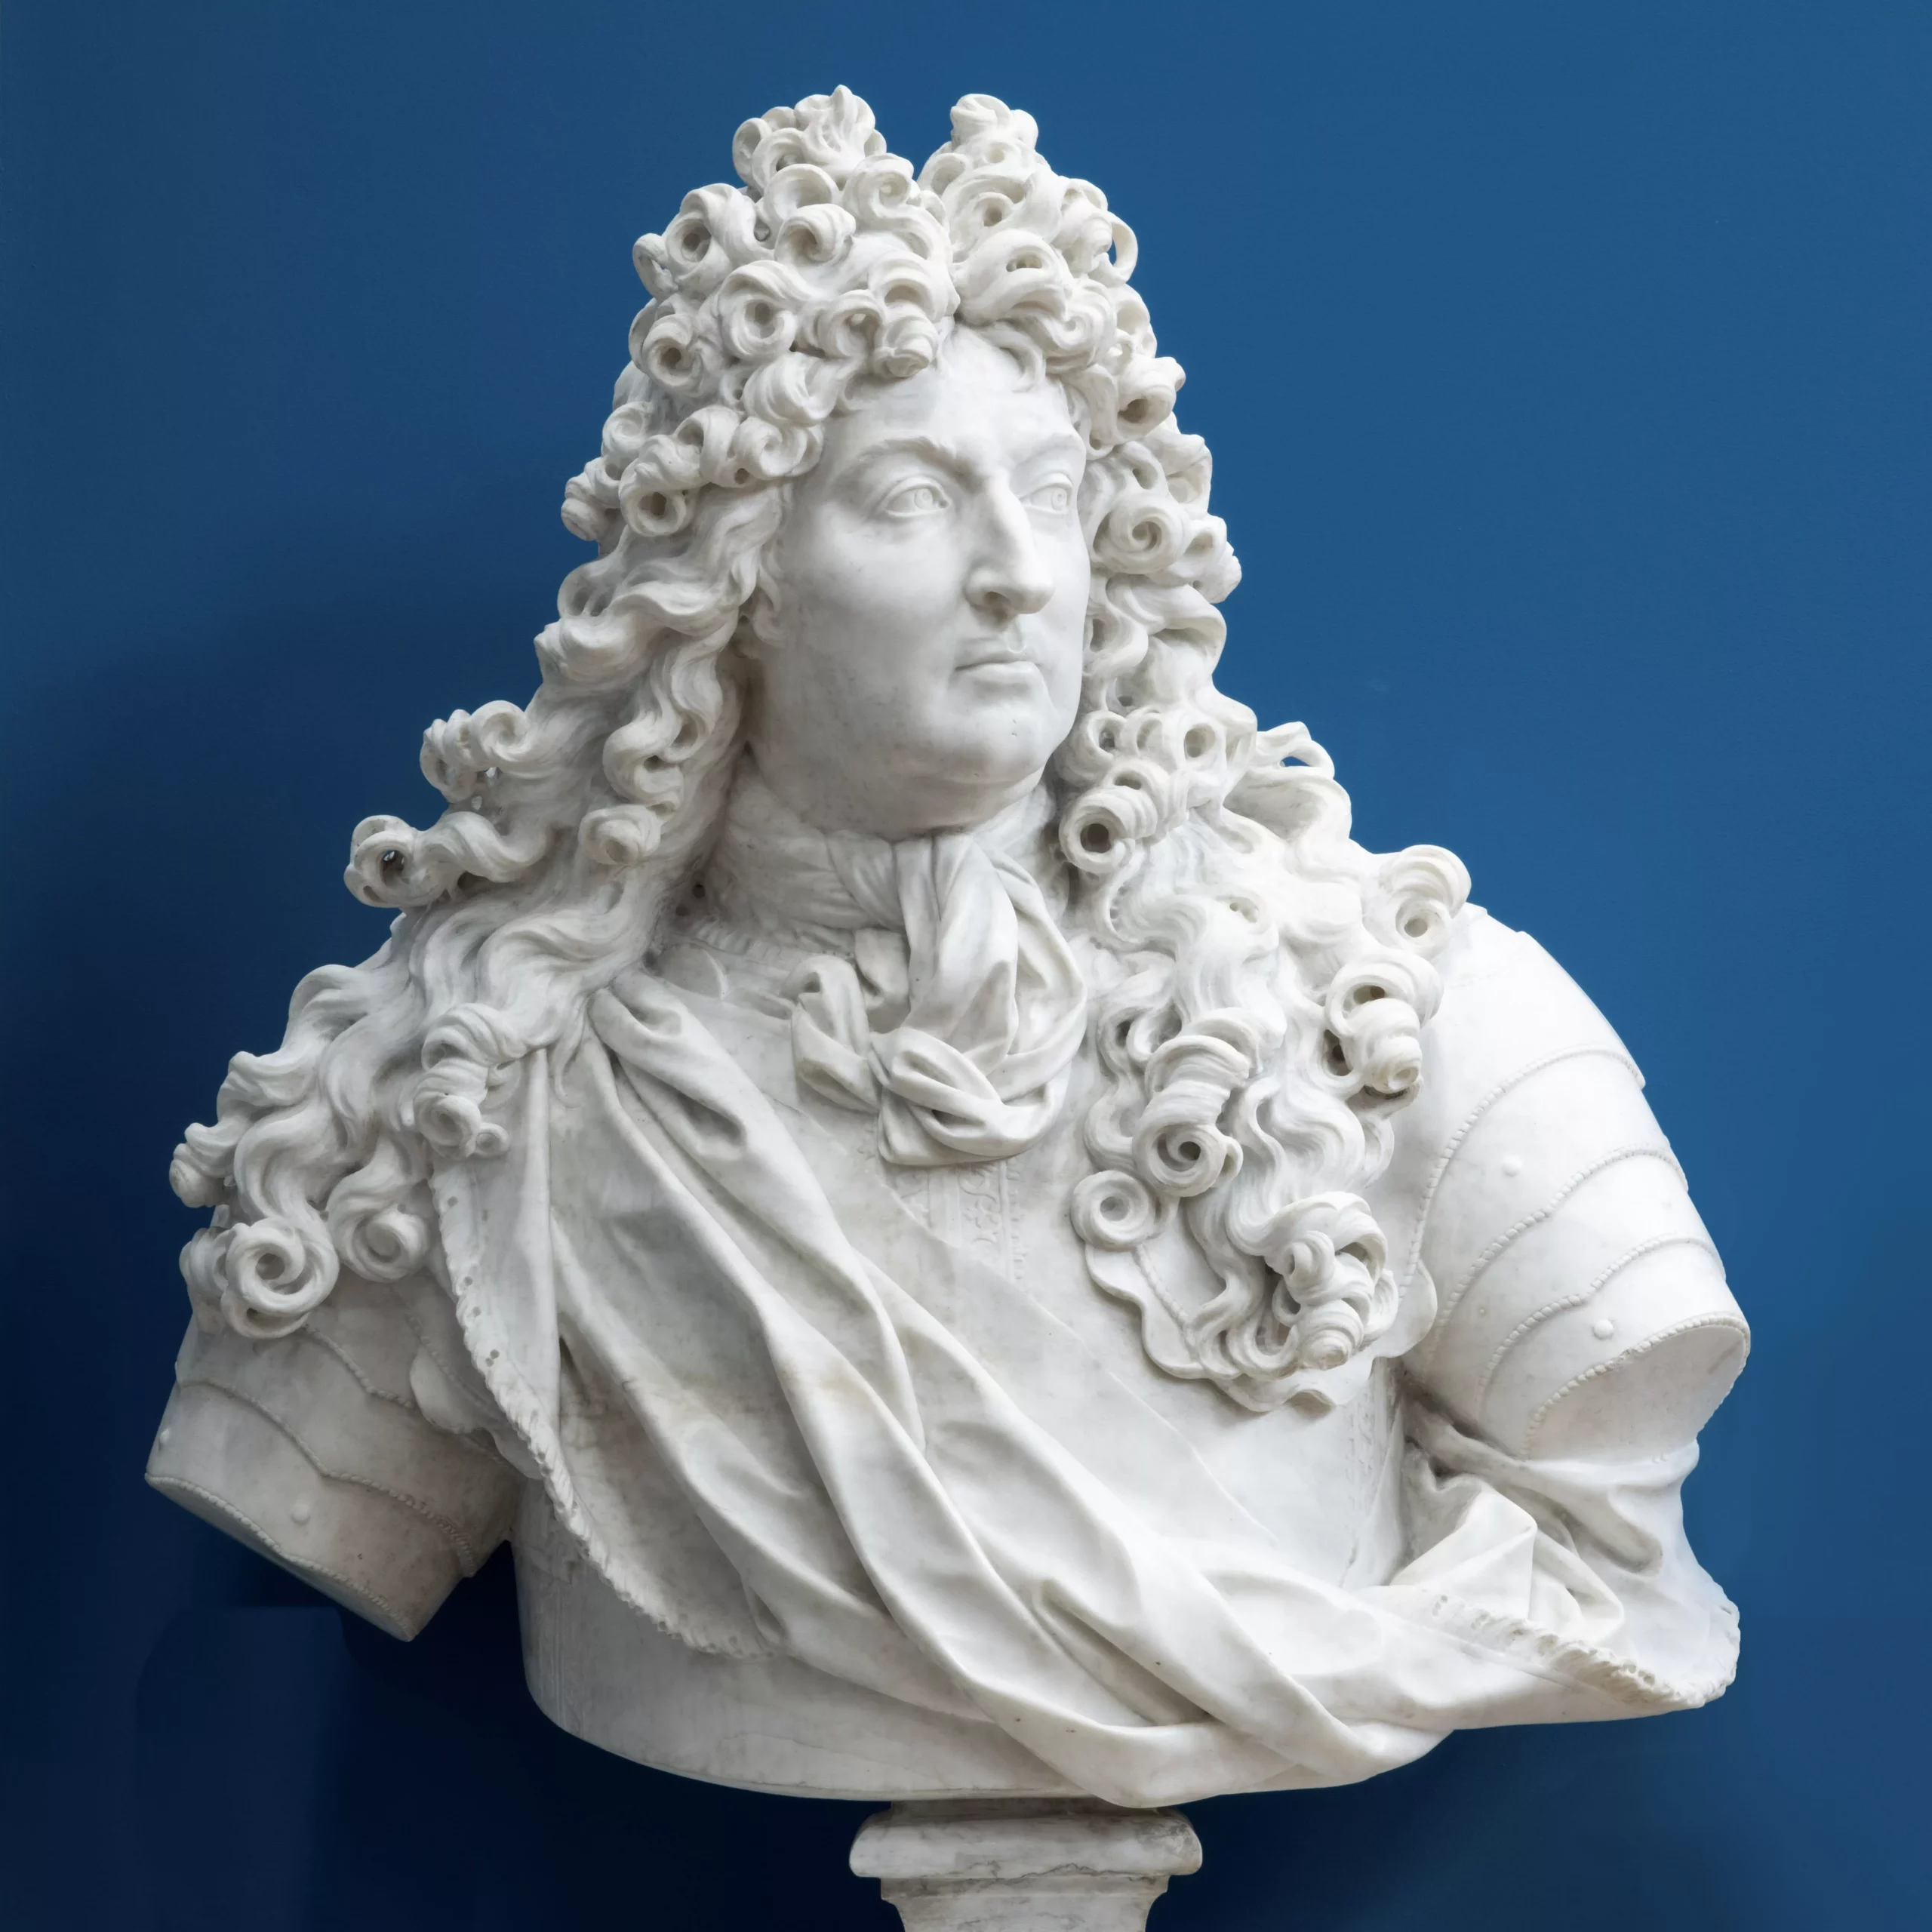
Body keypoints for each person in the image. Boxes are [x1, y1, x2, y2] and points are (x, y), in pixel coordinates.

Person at [150, 90, 1748, 1807]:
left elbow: (1613, 1469)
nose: (1015, 575)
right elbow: (306, 1482)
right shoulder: (462, 1091)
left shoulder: (1408, 1024)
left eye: (1049, 492)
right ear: (742, 573)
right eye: (911, 496)